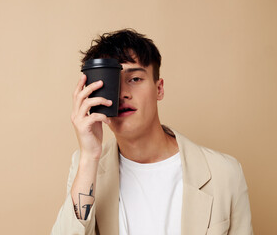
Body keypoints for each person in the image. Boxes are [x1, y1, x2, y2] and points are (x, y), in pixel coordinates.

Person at [51, 29, 253, 235]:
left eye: (135, 79)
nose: (123, 94)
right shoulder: (85, 166)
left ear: (159, 89)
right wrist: (89, 156)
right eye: (111, 83)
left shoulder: (224, 173)